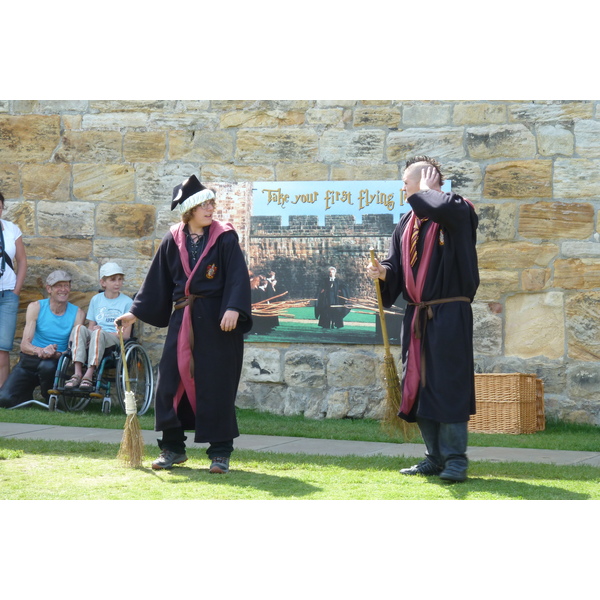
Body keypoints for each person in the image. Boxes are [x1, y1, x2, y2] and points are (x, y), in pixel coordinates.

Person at [115, 175, 252, 473]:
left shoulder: (225, 237)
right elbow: (155, 284)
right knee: (170, 385)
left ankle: (220, 452)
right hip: (183, 322)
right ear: (189, 210)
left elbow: (238, 277)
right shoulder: (172, 238)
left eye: (212, 203)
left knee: (216, 385)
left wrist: (233, 308)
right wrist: (133, 314)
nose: (211, 208)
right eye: (204, 204)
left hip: (218, 324)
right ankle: (172, 449)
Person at [367, 156, 479, 482]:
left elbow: (443, 208)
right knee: (419, 387)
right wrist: (382, 273)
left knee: (449, 386)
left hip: (449, 316)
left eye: (408, 182)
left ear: (427, 181)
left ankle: (456, 461)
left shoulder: (458, 211)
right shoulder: (406, 224)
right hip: (417, 317)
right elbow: (396, 268)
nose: (404, 188)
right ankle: (433, 458)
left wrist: (431, 191)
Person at [0, 270, 85, 408]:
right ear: (49, 289)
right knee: (4, 400)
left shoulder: (78, 313)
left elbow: (73, 348)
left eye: (66, 285)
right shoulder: (36, 307)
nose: (63, 290)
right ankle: (25, 395)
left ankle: (50, 398)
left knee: (48, 366)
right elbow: (24, 345)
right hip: (30, 360)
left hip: (55, 363)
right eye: (58, 286)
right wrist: (40, 350)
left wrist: (58, 354)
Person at [65, 262, 133, 391]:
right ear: (103, 283)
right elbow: (91, 327)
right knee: (79, 328)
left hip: (114, 340)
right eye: (113, 280)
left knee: (98, 333)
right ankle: (77, 373)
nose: (117, 283)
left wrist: (100, 332)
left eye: (120, 279)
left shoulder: (127, 302)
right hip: (97, 336)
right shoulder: (96, 300)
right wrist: (92, 333)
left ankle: (89, 374)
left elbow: (125, 335)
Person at [0, 192, 28, 388]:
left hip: (8, 294)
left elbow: (22, 260)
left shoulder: (11, 230)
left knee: (2, 347)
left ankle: (1, 393)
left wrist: (16, 290)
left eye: (0, 207)